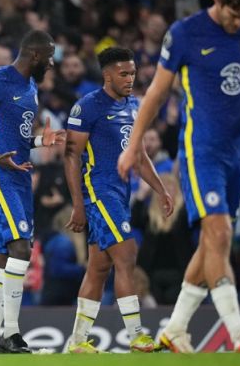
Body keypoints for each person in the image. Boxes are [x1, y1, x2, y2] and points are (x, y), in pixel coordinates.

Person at [117, 0, 240, 353]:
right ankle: (238, 330)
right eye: (232, 14)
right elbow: (157, 94)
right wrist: (133, 144)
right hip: (202, 151)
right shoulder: (185, 33)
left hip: (239, 153)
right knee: (220, 232)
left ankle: (175, 328)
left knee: (213, 243)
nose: (237, 23)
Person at [64, 47, 173, 354]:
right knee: (126, 255)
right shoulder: (87, 107)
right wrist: (78, 204)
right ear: (107, 74)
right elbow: (71, 156)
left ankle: (77, 341)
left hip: (121, 193)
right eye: (123, 73)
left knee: (99, 267)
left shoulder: (134, 106)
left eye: (133, 73)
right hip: (99, 191)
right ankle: (137, 336)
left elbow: (138, 155)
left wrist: (161, 189)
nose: (130, 79)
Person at [0, 29, 66, 354]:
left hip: (19, 174)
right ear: (35, 55)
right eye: (49, 57)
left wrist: (41, 142)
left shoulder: (31, 87)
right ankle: (12, 332)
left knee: (9, 251)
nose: (51, 64)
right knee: (22, 248)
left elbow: (19, 139)